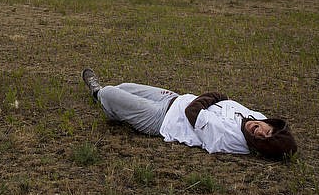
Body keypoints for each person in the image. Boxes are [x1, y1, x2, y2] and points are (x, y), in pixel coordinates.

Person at [81, 68, 297, 160]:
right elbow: (225, 99)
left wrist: (212, 96)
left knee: (109, 93)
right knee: (125, 87)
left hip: (162, 120)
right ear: (272, 125)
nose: (260, 132)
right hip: (173, 98)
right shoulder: (254, 116)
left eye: (262, 140)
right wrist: (214, 97)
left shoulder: (230, 139)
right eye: (268, 132)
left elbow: (193, 111)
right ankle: (114, 109)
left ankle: (97, 91)